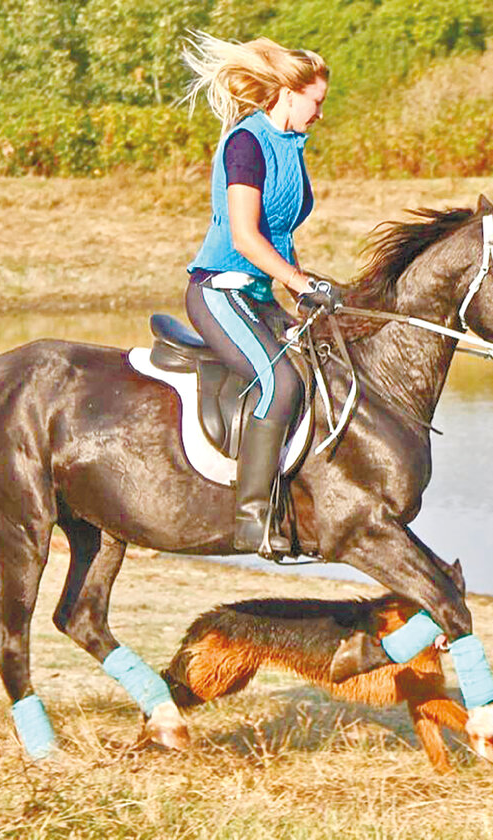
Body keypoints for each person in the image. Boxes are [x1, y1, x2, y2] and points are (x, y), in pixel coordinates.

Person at [181, 32, 341, 556]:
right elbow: (246, 237)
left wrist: (305, 287)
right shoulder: (247, 143)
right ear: (289, 94)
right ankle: (251, 521)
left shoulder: (291, 147)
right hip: (219, 293)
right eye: (315, 103)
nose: (319, 114)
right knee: (280, 384)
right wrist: (297, 282)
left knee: (321, 367)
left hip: (259, 296)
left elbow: (279, 236)